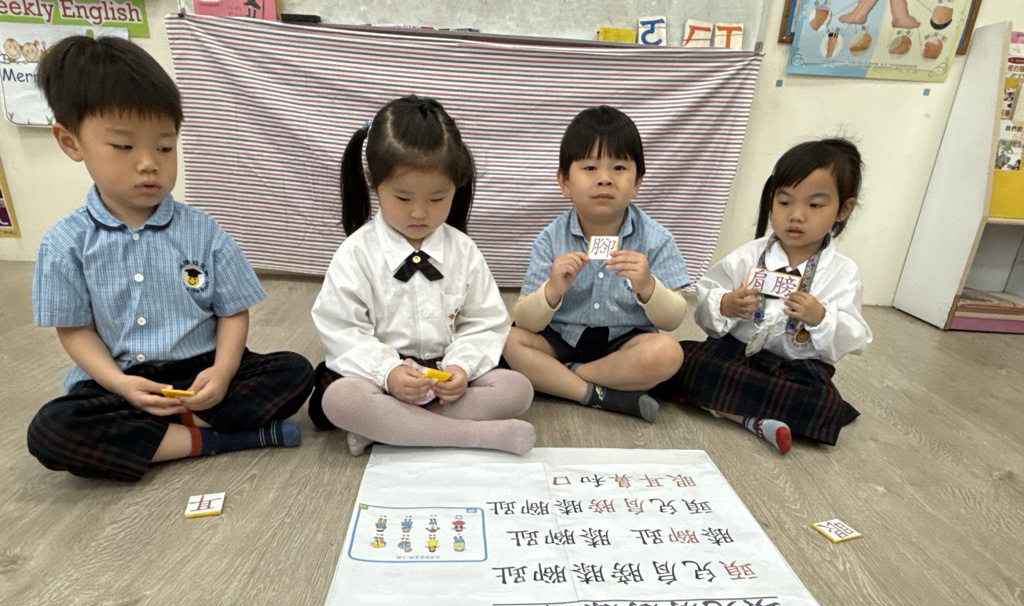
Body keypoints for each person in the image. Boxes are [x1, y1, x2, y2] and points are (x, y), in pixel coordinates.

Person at [27, 35, 314, 482]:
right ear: (70, 141)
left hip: (203, 371)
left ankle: (163, 436)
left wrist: (222, 373)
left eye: (164, 147)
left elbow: (232, 311)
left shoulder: (203, 229)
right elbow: (76, 330)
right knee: (51, 431)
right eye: (124, 146)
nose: (149, 163)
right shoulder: (65, 242)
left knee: (296, 371)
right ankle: (219, 437)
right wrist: (121, 385)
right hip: (123, 381)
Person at [308, 95, 535, 456]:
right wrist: (388, 372)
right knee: (339, 399)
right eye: (402, 198)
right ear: (372, 179)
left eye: (436, 198)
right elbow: (341, 329)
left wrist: (461, 366)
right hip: (381, 381)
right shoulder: (356, 253)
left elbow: (485, 321)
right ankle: (474, 435)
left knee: (517, 389)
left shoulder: (463, 251)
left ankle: (389, 429)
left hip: (444, 378)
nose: (419, 212)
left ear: (456, 186)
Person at [661, 138, 871, 453]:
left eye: (814, 205)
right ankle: (755, 419)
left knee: (823, 402)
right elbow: (708, 296)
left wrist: (821, 318)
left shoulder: (843, 272)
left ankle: (728, 407)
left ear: (844, 208)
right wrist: (725, 304)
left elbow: (856, 337)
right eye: (784, 202)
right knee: (681, 359)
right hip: (736, 352)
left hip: (796, 368)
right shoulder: (749, 255)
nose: (796, 215)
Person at [501, 106, 690, 422]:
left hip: (624, 343)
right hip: (561, 337)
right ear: (564, 182)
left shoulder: (656, 238)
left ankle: (563, 378)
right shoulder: (550, 239)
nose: (604, 179)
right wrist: (552, 289)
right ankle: (599, 394)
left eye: (618, 167)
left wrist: (648, 286)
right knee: (507, 339)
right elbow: (525, 322)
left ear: (637, 182)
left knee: (668, 352)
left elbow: (673, 319)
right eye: (589, 167)